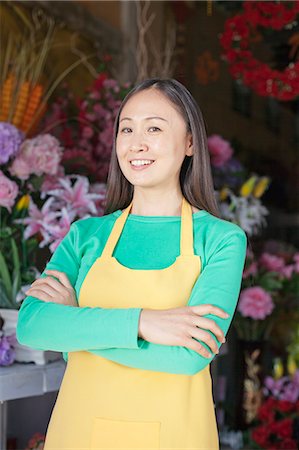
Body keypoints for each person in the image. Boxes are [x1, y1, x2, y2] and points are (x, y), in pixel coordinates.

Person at [17, 77, 247, 449]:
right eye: (127, 129)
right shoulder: (85, 235)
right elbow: (30, 327)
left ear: (190, 142)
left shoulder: (221, 240)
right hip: (77, 433)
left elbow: (189, 357)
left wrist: (77, 326)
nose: (136, 143)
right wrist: (143, 322)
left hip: (174, 437)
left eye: (154, 128)